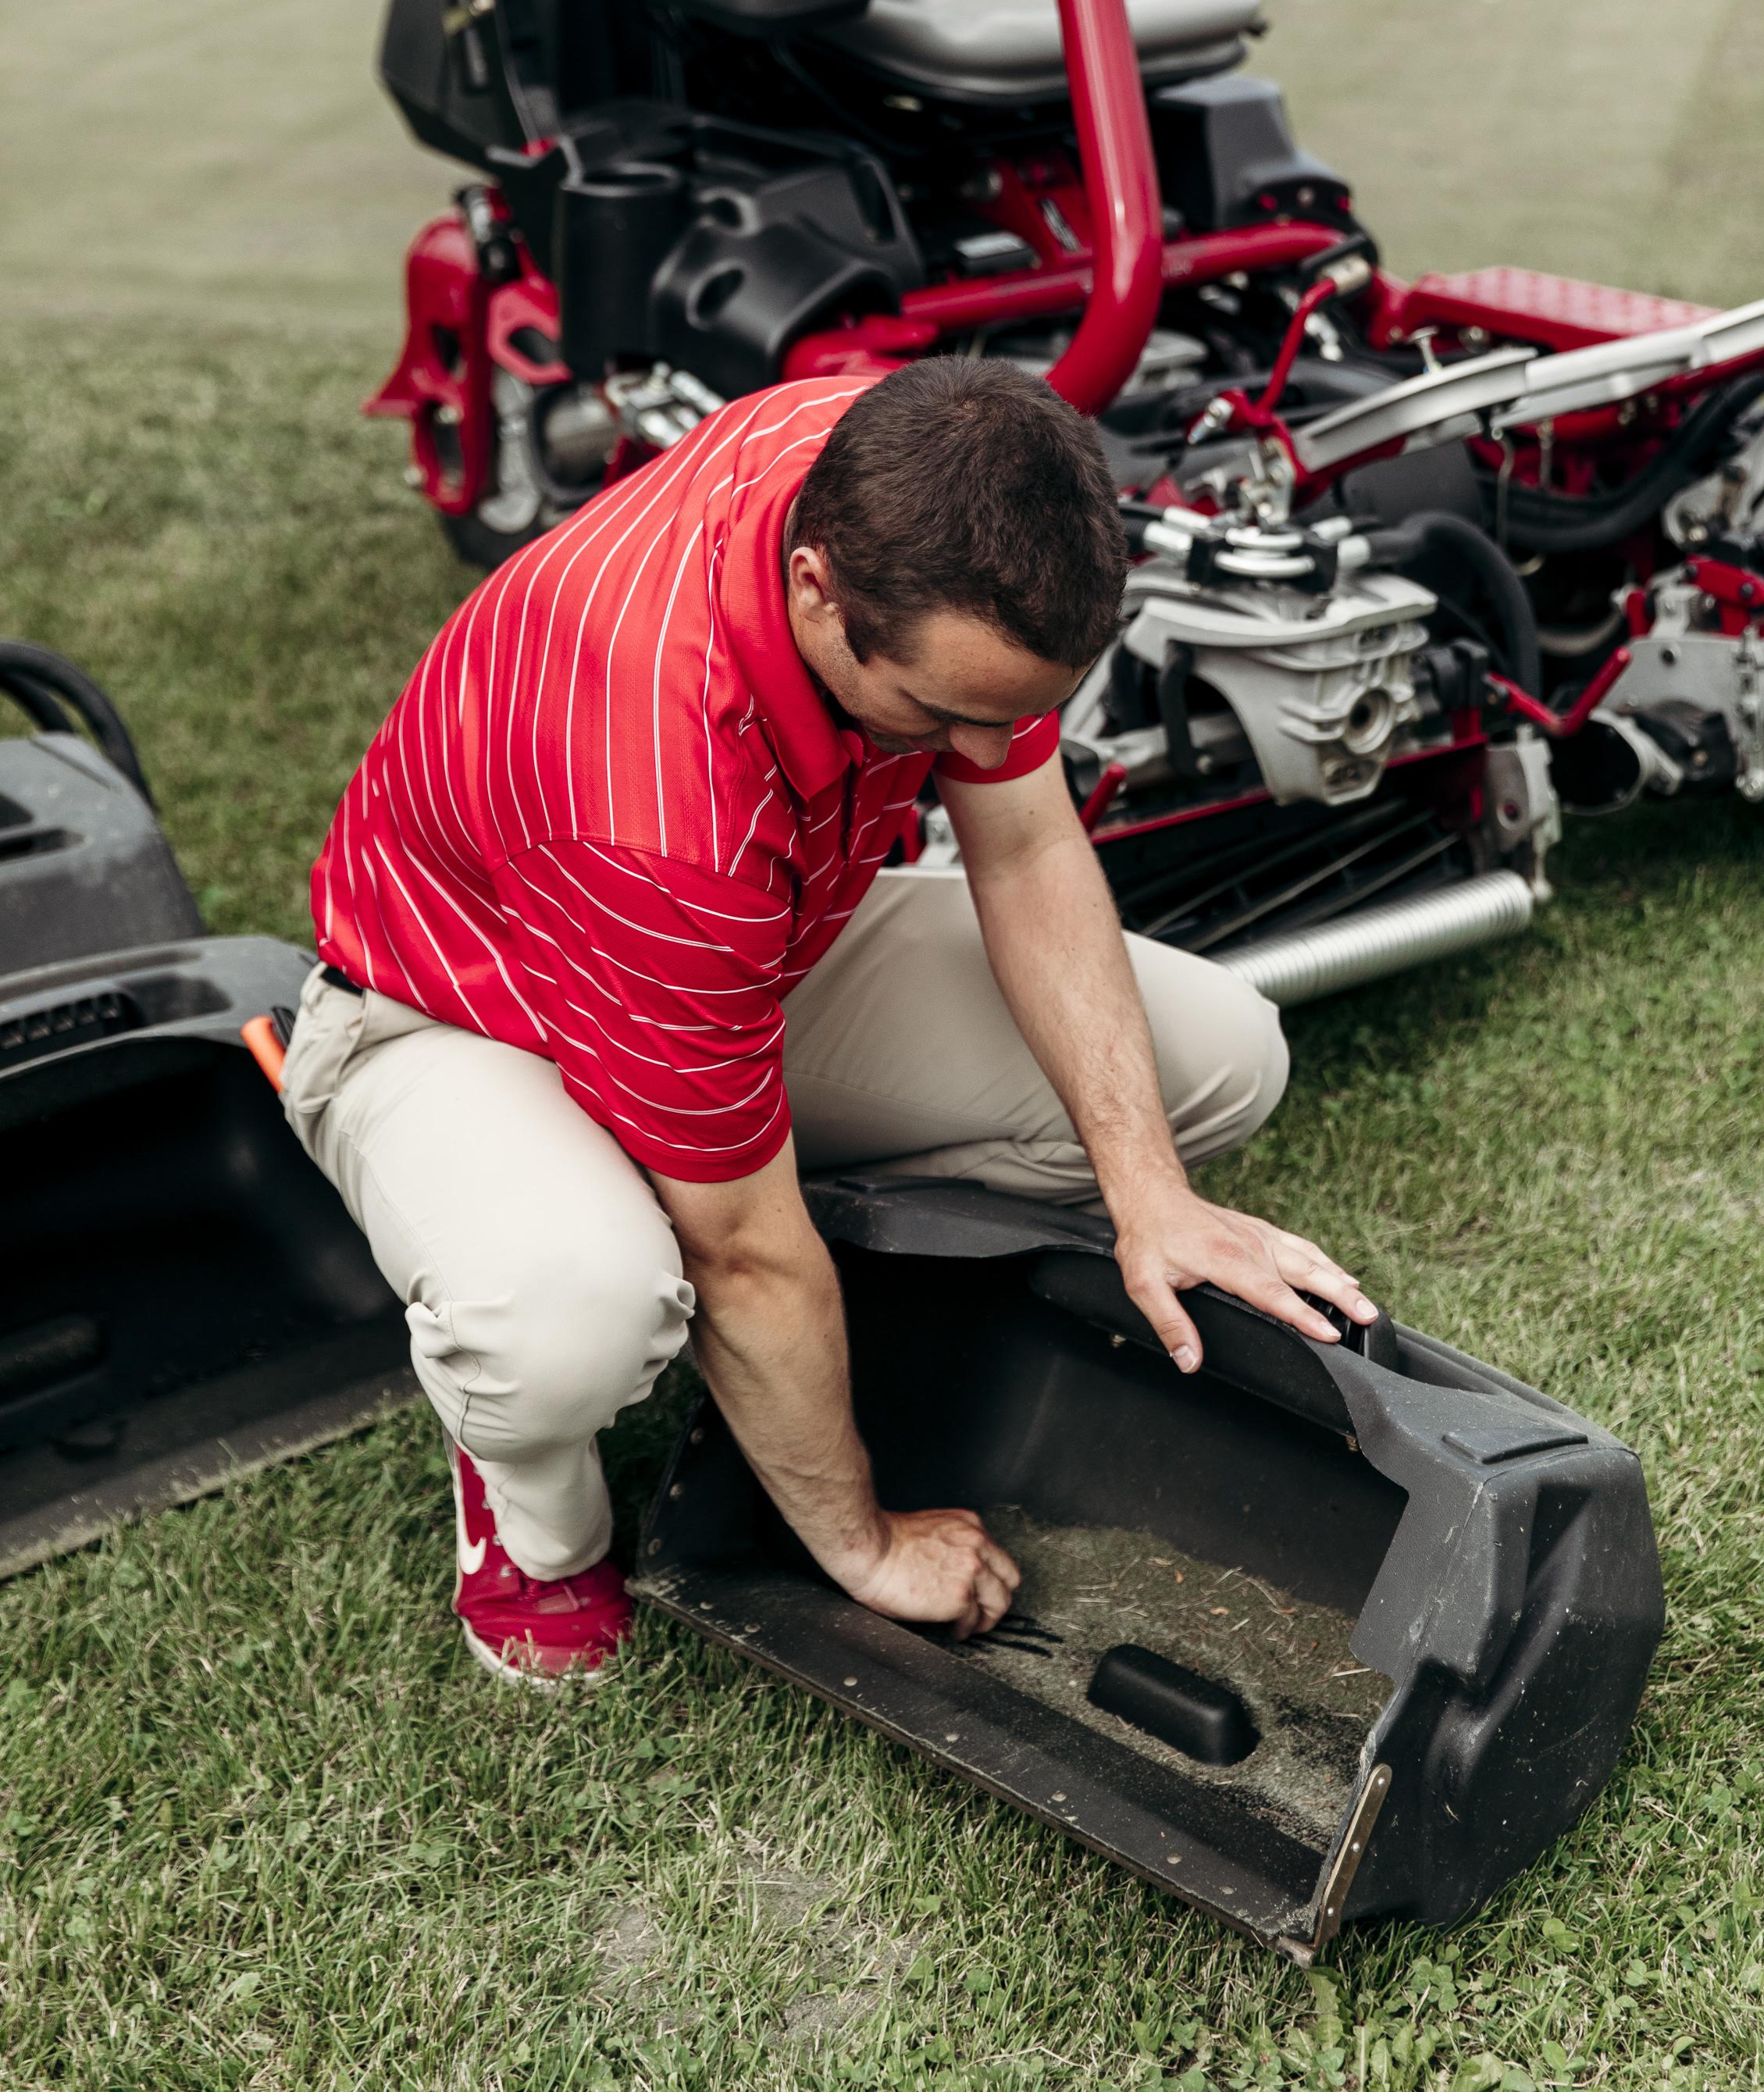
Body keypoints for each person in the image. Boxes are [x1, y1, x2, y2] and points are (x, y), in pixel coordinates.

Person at [282, 361, 1376, 1684]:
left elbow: (1027, 854)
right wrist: (861, 1544)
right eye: (942, 717)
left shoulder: (916, 473)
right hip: (454, 1015)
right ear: (816, 591)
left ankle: (740, 1228)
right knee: (574, 1316)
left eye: (1015, 717)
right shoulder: (653, 791)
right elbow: (741, 1250)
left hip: (754, 945)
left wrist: (1149, 1195)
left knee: (1216, 1061)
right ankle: (528, 1502)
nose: (981, 757)